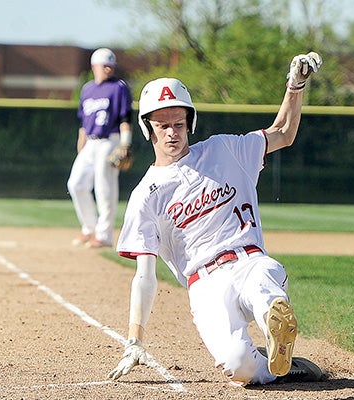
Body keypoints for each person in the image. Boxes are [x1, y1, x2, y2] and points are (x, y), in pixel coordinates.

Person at [107, 52, 325, 387]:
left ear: (190, 123)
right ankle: (281, 365)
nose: (171, 133)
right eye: (162, 125)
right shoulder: (145, 196)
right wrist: (135, 338)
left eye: (179, 124)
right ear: (148, 128)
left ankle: (274, 321)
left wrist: (295, 86)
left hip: (249, 262)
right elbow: (144, 276)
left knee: (265, 289)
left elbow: (282, 132)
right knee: (240, 368)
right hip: (204, 285)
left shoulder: (224, 150)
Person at [67, 48, 134, 248]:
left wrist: (125, 143)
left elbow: (125, 116)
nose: (108, 68)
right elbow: (83, 120)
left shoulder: (119, 87)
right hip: (90, 141)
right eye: (104, 65)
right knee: (76, 184)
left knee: (104, 187)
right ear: (93, 66)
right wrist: (81, 142)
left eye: (111, 65)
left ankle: (104, 235)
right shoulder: (87, 89)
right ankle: (89, 227)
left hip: (110, 140)